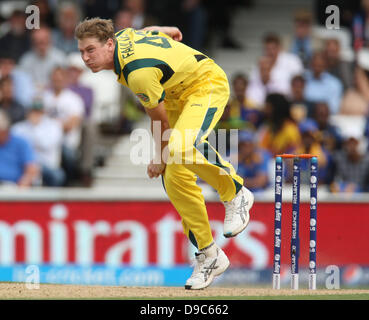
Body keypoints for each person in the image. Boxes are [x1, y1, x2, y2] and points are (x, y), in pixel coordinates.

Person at [75, 18, 254, 290]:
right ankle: (209, 254)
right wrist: (166, 31)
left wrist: (159, 156)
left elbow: (161, 123)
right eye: (82, 52)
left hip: (204, 84)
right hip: (175, 95)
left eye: (90, 50)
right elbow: (145, 32)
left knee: (180, 147)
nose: (86, 58)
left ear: (109, 44)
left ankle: (235, 192)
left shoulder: (138, 73)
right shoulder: (121, 38)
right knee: (173, 178)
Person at [12, 101, 65, 187]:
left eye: (38, 111)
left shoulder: (54, 126)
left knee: (57, 175)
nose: (35, 114)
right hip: (24, 165)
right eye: (33, 111)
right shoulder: (18, 127)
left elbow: (45, 144)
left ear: (43, 112)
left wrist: (34, 127)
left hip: (46, 166)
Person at [0, 110, 39, 187]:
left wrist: (22, 186)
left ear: (6, 130)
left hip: (12, 187)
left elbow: (31, 169)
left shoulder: (21, 143)